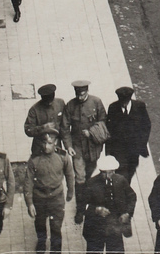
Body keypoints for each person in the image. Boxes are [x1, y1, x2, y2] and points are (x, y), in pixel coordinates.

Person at [62, 80, 109, 222]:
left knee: (88, 175)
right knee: (80, 178)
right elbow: (65, 128)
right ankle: (80, 209)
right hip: (77, 148)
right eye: (78, 94)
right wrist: (68, 146)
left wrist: (92, 132)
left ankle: (86, 192)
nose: (80, 97)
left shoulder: (96, 102)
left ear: (87, 91)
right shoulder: (70, 105)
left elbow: (104, 121)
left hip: (93, 147)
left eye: (82, 94)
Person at [23, 127, 75, 254]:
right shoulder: (34, 159)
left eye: (50, 143)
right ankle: (41, 247)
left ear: (56, 142)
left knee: (56, 229)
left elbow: (70, 174)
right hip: (39, 198)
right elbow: (28, 183)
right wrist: (29, 203)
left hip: (56, 198)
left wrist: (70, 191)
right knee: (40, 227)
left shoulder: (62, 157)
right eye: (44, 142)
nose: (46, 146)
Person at [81, 154, 136, 254]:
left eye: (110, 173)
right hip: (96, 227)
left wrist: (128, 213)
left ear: (114, 171)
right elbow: (82, 203)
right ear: (100, 171)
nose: (107, 176)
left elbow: (132, 197)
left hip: (115, 226)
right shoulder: (91, 183)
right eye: (104, 173)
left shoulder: (121, 180)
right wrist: (96, 210)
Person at [105, 86, 152, 182]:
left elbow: (146, 125)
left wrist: (142, 143)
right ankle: (123, 190)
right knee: (121, 173)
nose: (124, 104)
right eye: (122, 101)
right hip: (118, 149)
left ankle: (125, 186)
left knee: (131, 170)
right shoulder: (113, 107)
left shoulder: (139, 106)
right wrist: (109, 151)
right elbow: (109, 129)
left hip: (134, 149)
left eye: (126, 101)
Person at [25, 84, 66, 155]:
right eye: (46, 102)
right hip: (39, 147)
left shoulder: (60, 103)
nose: (49, 103)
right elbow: (28, 130)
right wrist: (43, 127)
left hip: (56, 145)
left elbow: (65, 123)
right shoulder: (34, 109)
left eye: (51, 101)